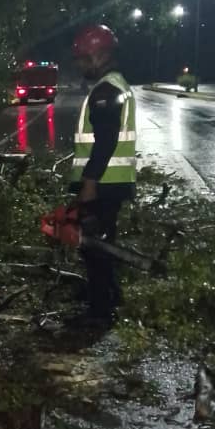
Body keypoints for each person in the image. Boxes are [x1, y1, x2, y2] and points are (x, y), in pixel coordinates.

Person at [69, 24, 136, 325]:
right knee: (101, 242)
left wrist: (89, 184)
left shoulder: (106, 91)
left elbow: (106, 140)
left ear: (100, 54)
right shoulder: (114, 85)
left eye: (84, 58)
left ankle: (99, 313)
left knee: (93, 245)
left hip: (104, 183)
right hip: (112, 182)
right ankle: (108, 294)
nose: (81, 65)